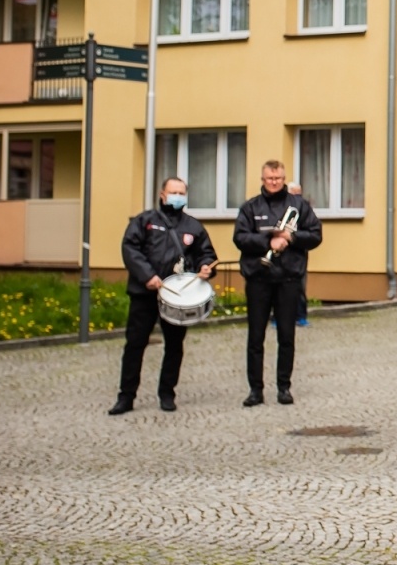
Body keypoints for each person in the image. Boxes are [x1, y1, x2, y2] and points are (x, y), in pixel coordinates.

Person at [110, 176, 217, 415]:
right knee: (135, 345)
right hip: (145, 293)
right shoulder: (145, 220)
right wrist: (147, 275)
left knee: (174, 346)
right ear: (162, 194)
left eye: (181, 193)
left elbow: (206, 253)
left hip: (178, 296)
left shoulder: (193, 226)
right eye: (173, 192)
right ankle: (126, 396)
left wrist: (207, 266)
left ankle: (167, 393)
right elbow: (130, 248)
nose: (177, 197)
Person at [233, 160, 322, 406]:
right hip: (258, 278)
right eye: (270, 179)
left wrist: (290, 238)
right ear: (263, 179)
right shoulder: (250, 207)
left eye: (278, 178)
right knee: (255, 337)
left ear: (284, 179)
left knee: (286, 335)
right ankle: (255, 390)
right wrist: (267, 242)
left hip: (289, 278)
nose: (274, 182)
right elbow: (239, 237)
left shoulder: (298, 205)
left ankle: (284, 387)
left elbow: (315, 235)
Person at [288, 182, 311, 327]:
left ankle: (301, 316)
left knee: (299, 285)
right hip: (282, 252)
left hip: (299, 252)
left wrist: (294, 236)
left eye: (299, 194)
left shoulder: (304, 209)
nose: (297, 198)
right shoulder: (281, 207)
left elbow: (310, 232)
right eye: (294, 194)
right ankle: (277, 317)